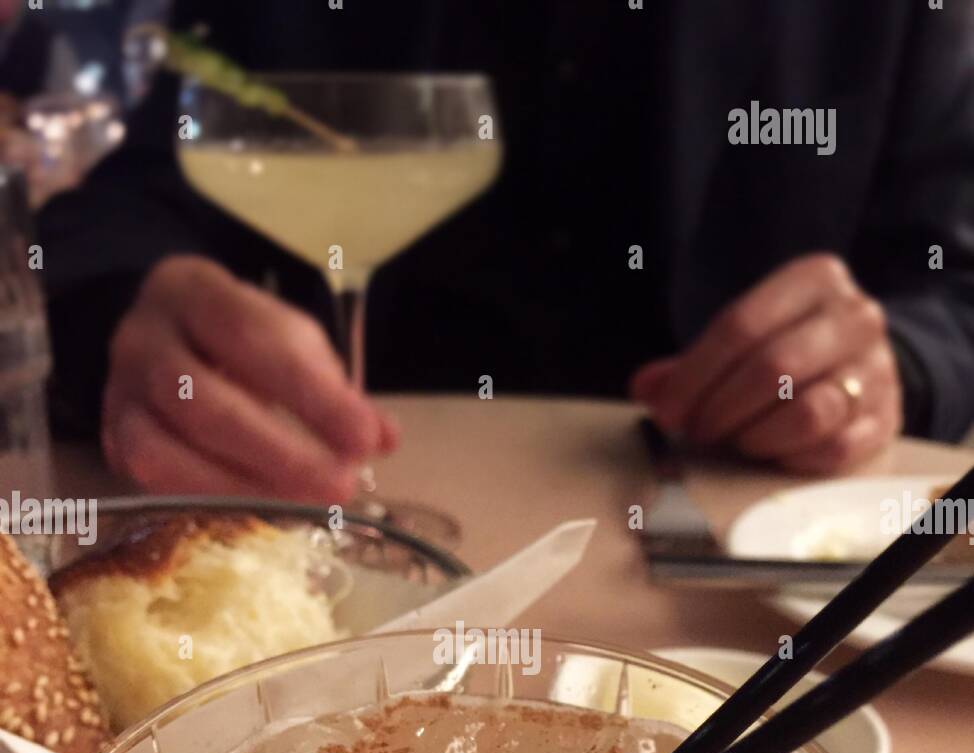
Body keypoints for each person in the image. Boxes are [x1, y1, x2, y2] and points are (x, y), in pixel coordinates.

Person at [37, 0, 974, 504]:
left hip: (741, 546)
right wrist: (137, 305)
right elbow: (135, 200)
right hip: (359, 506)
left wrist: (889, 361)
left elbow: (953, 280)